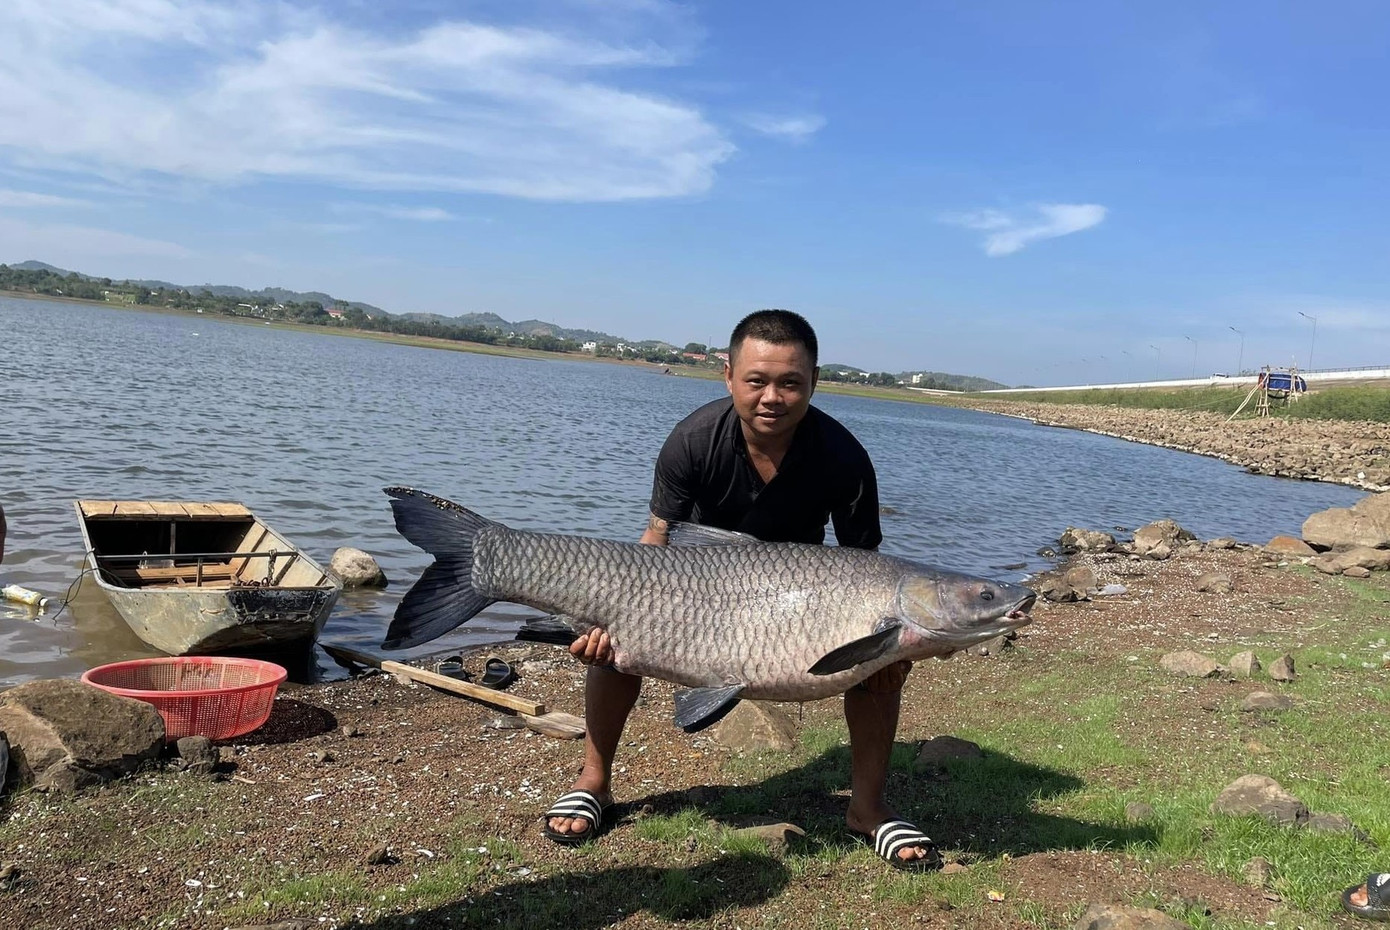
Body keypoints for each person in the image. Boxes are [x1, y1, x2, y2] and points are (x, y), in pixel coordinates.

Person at [540, 309, 939, 870]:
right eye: (757, 380)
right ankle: (595, 780)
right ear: (728, 376)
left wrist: (888, 642)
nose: (772, 396)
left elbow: (864, 565)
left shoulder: (844, 457)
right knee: (613, 641)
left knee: (880, 660)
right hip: (696, 580)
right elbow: (654, 539)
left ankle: (867, 810)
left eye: (790, 382)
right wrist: (612, 616)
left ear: (814, 382)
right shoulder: (692, 441)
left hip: (794, 588)